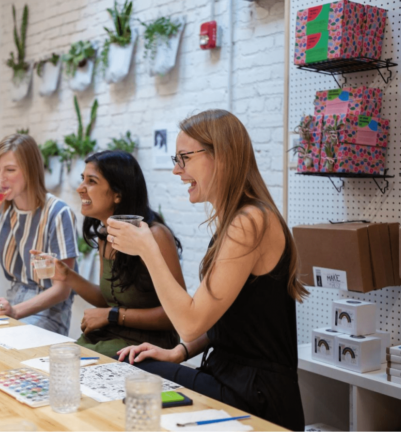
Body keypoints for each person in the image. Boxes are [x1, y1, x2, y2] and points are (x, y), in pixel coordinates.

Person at [108, 110, 307, 432]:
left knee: (134, 380)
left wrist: (148, 249)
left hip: (256, 396)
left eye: (184, 158)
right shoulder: (239, 219)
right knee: (136, 370)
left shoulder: (250, 222)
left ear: (223, 157)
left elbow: (189, 322)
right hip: (231, 379)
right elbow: (221, 320)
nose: (176, 170)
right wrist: (178, 352)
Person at [34, 150, 185, 357]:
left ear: (118, 194)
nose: (80, 188)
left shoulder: (156, 235)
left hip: (147, 345)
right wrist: (67, 275)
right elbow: (110, 300)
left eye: (92, 181)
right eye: (82, 180)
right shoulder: (106, 235)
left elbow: (176, 314)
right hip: (110, 336)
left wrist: (112, 315)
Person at [0, 134, 79, 336]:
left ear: (30, 170)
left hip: (49, 312)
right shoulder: (2, 212)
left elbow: (63, 289)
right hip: (13, 301)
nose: (0, 179)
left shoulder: (58, 213)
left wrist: (15, 311)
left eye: (10, 170)